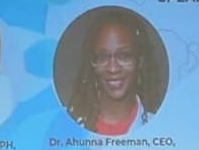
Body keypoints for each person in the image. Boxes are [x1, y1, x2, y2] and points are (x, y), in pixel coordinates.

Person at [64, 8, 164, 136]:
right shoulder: (64, 124)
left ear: (140, 61)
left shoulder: (161, 127)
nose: (113, 69)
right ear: (91, 63)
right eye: (102, 57)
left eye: (124, 56)